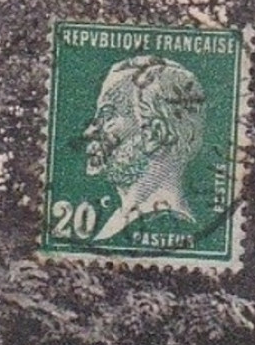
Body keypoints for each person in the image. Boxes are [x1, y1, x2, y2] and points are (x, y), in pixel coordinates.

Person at [82, 55, 208, 242]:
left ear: (155, 135)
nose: (90, 131)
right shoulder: (119, 222)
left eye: (108, 115)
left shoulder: (166, 225)